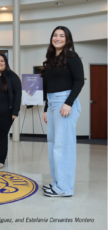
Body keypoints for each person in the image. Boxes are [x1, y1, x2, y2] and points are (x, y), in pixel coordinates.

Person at [41, 26, 84, 197]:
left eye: (62, 35)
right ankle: (57, 182)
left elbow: (79, 81)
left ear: (67, 39)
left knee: (63, 145)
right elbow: (48, 86)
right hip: (52, 103)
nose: (57, 38)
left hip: (64, 101)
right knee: (53, 144)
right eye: (55, 35)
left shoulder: (71, 56)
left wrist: (69, 103)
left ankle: (65, 188)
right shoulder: (52, 59)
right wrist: (46, 108)